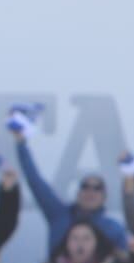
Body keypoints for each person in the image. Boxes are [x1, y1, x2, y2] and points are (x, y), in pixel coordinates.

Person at [7, 106, 127, 254]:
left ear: (104, 198)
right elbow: (35, 181)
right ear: (78, 193)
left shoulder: (114, 229)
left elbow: (127, 262)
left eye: (97, 188)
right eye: (85, 186)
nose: (90, 191)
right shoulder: (58, 215)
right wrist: (21, 144)